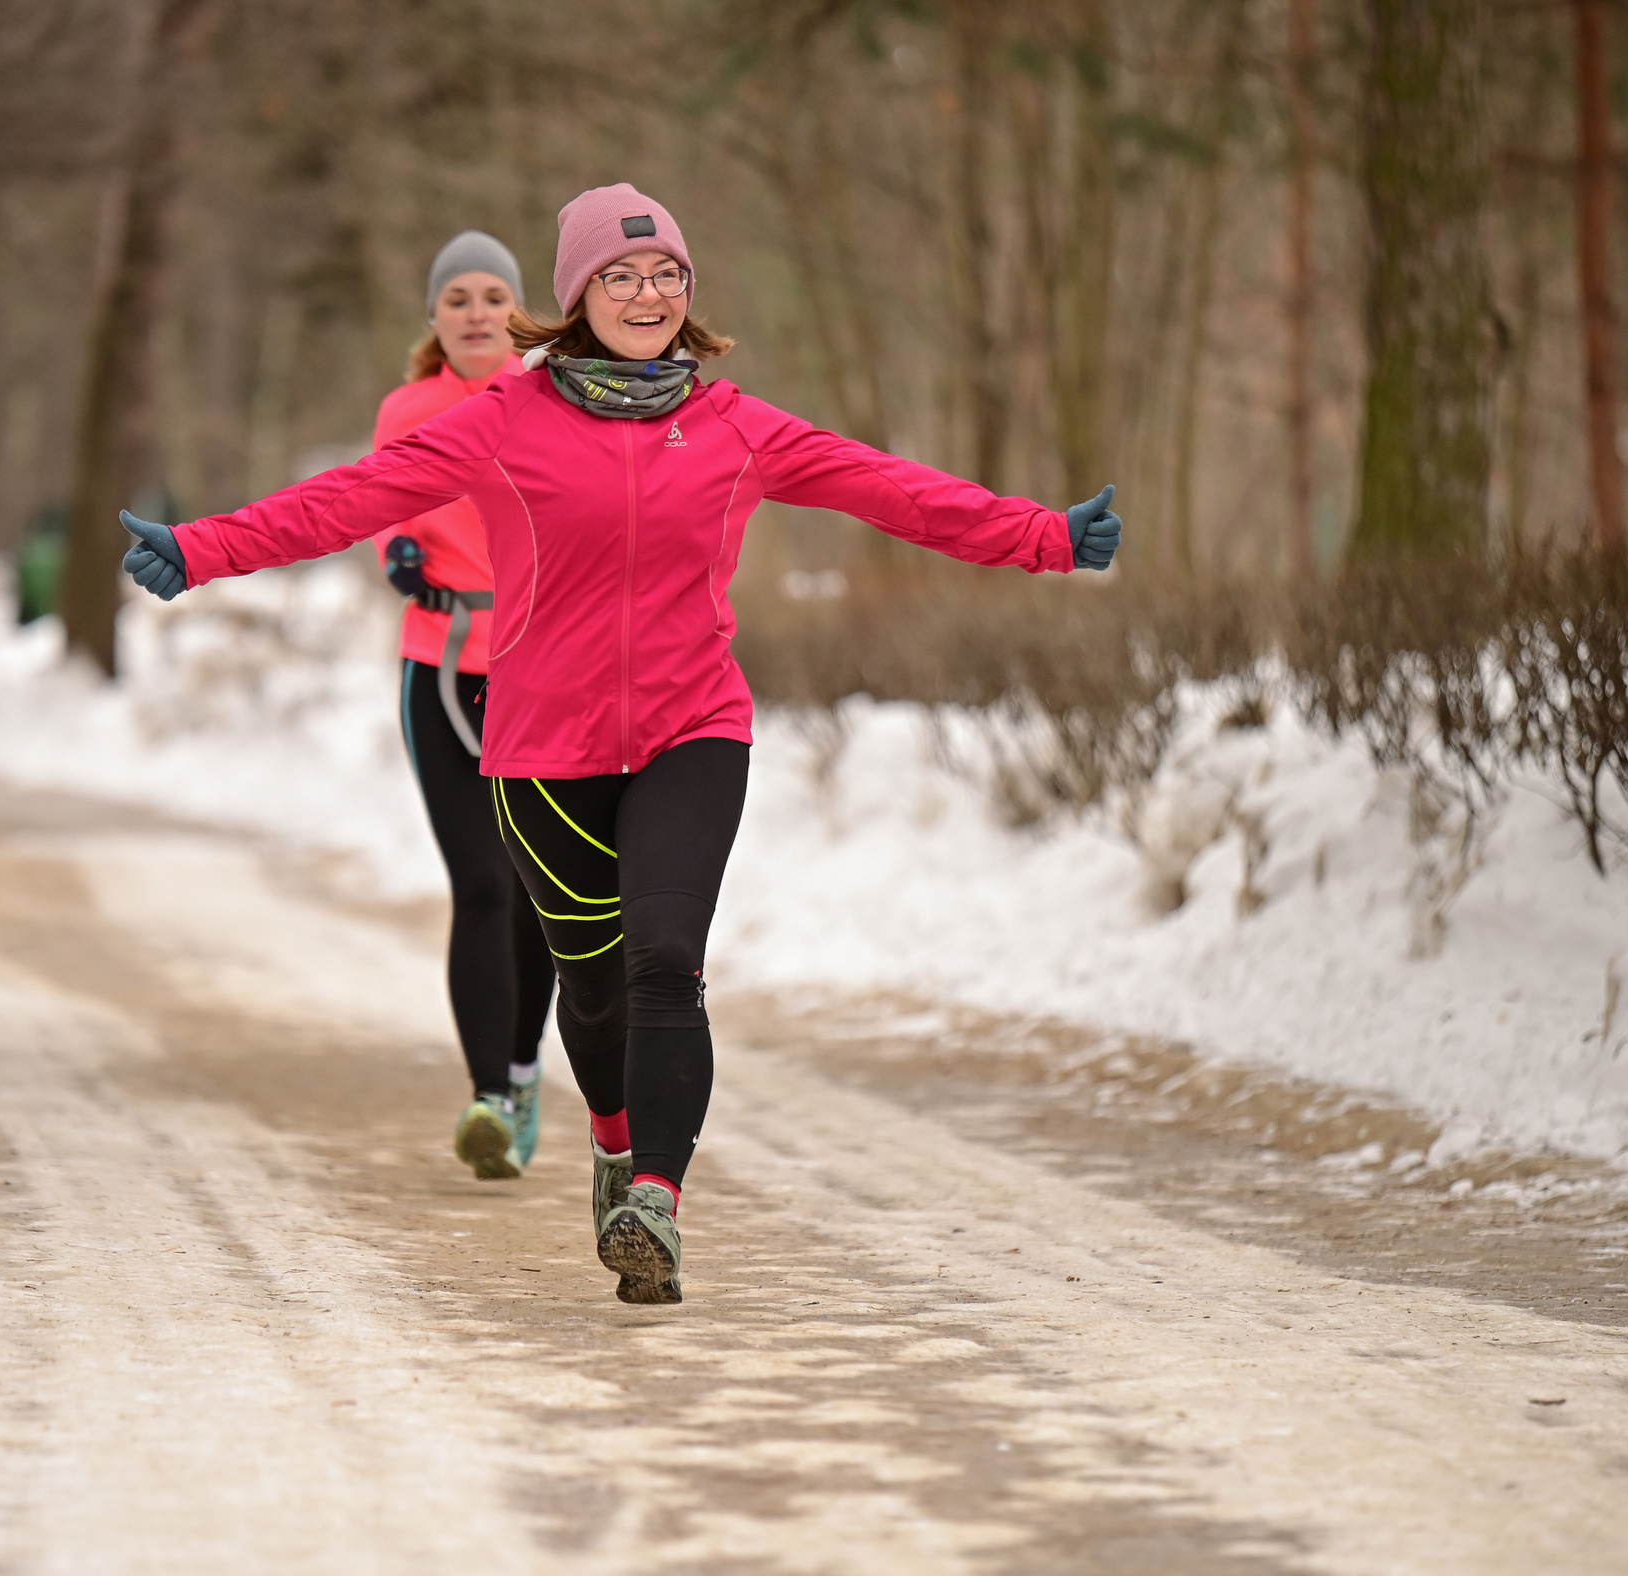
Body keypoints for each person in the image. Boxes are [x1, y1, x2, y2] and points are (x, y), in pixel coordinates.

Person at [118, 185, 1123, 1305]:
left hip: (692, 727)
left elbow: (887, 489)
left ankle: (657, 1199)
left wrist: (1041, 536)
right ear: (576, 295)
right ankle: (608, 1135)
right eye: (620, 277)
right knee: (588, 991)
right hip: (543, 745)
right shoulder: (505, 415)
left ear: (688, 294)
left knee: (664, 961)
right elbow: (356, 497)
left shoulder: (736, 425)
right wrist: (200, 551)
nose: (647, 295)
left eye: (666, 277)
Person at [376, 231, 557, 1182]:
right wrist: (396, 552)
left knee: (537, 890)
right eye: (459, 299)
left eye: (494, 296)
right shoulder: (406, 408)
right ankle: (488, 1100)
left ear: (518, 310)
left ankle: (525, 1073)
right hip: (438, 666)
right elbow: (378, 503)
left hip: (540, 669)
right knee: (481, 885)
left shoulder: (551, 400)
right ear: (435, 317)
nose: (478, 312)